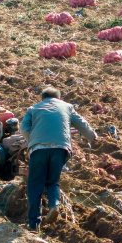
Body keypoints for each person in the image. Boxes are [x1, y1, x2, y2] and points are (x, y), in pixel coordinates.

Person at [20, 86, 97, 232]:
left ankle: (34, 225)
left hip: (38, 149)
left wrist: (33, 140)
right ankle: (54, 205)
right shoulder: (67, 107)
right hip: (61, 149)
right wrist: (91, 136)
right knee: (52, 181)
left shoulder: (33, 108)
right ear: (59, 98)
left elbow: (23, 128)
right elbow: (82, 124)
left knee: (35, 184)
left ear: (43, 98)